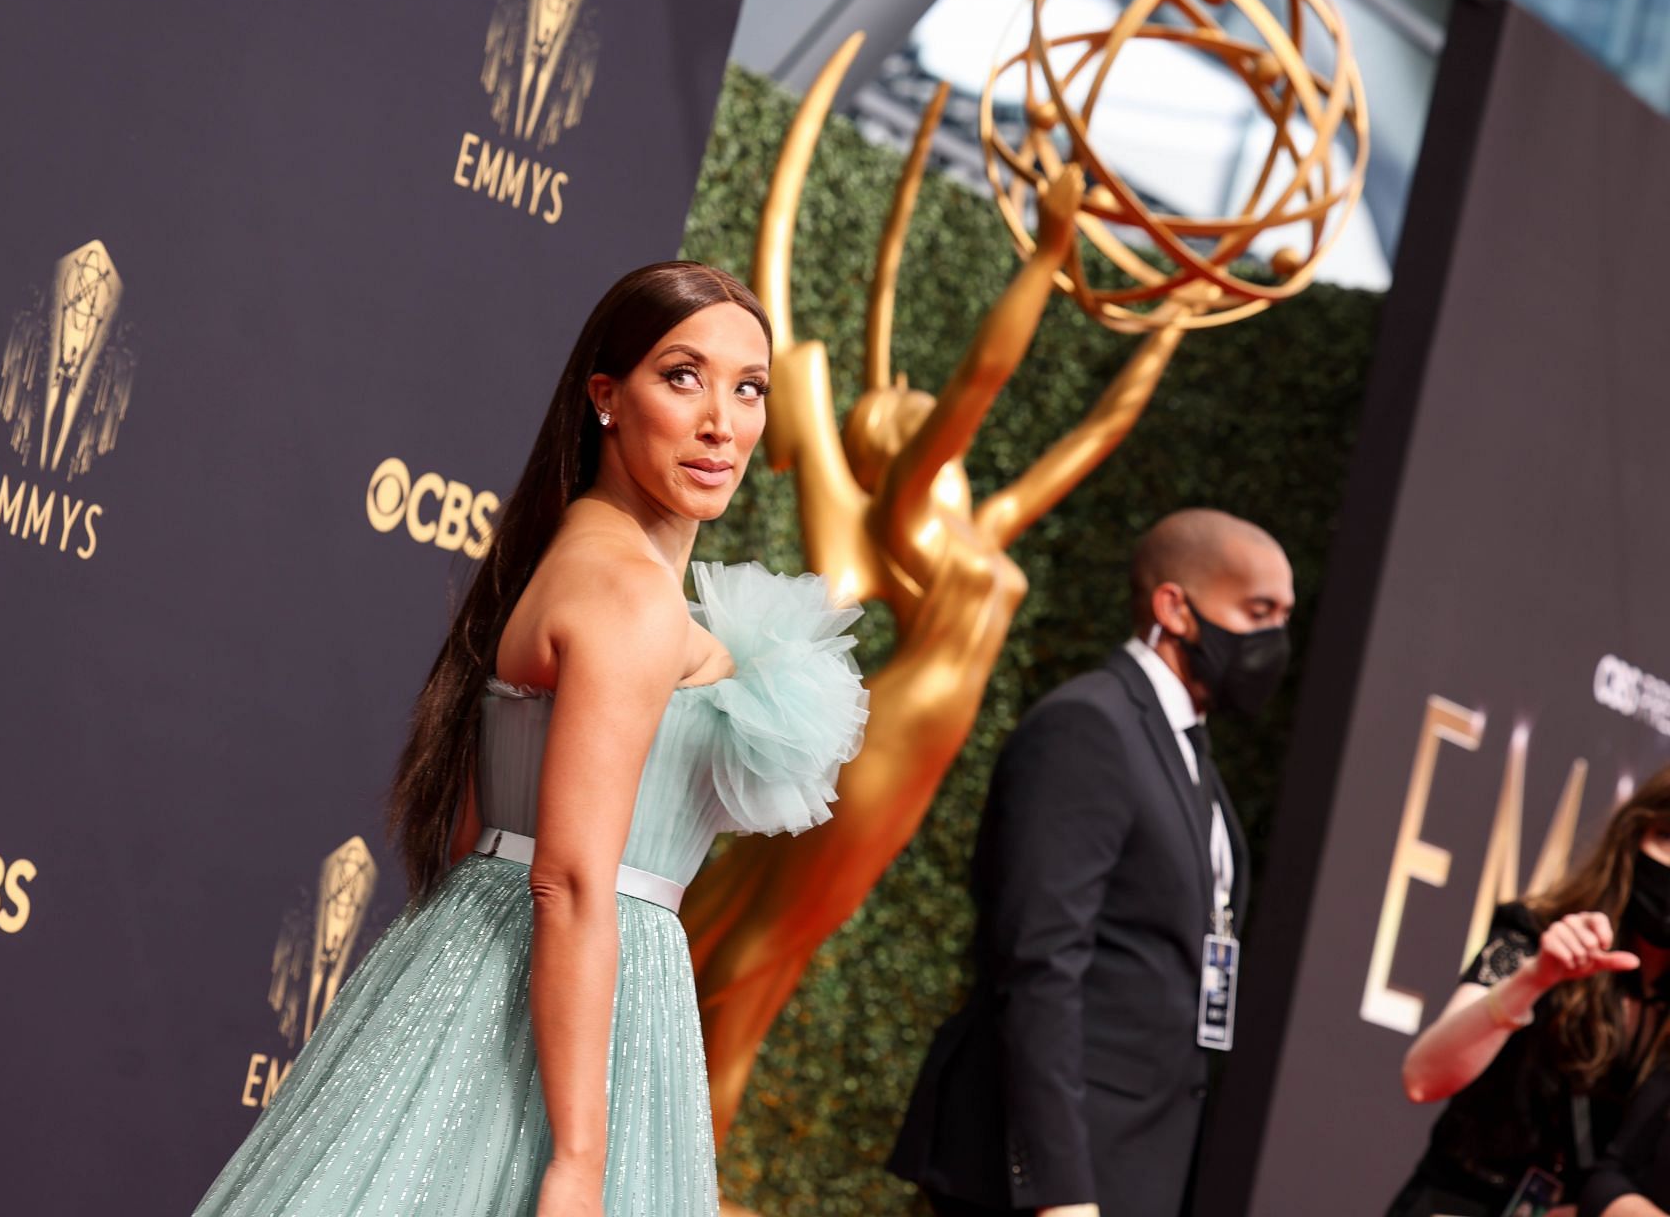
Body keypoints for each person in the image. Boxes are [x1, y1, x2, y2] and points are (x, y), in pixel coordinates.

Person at [192, 261, 869, 1216]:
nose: (723, 421)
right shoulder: (624, 592)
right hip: (561, 1015)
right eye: (683, 377)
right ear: (606, 396)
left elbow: (488, 839)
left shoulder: (574, 563)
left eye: (748, 388)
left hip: (493, 986)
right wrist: (578, 1160)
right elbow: (572, 878)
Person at [889, 509, 1294, 1216]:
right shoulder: (1090, 727)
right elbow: (1040, 961)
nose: (1274, 642)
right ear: (1176, 606)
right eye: (1257, 611)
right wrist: (1060, 1191)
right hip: (1046, 1174)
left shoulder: (1183, 748)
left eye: (1283, 618)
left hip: (1131, 1161)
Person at [1388, 769, 1670, 1217]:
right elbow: (1423, 1077)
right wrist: (1535, 979)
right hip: (1455, 1204)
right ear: (1632, 836)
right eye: (1667, 838)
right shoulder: (1537, 933)